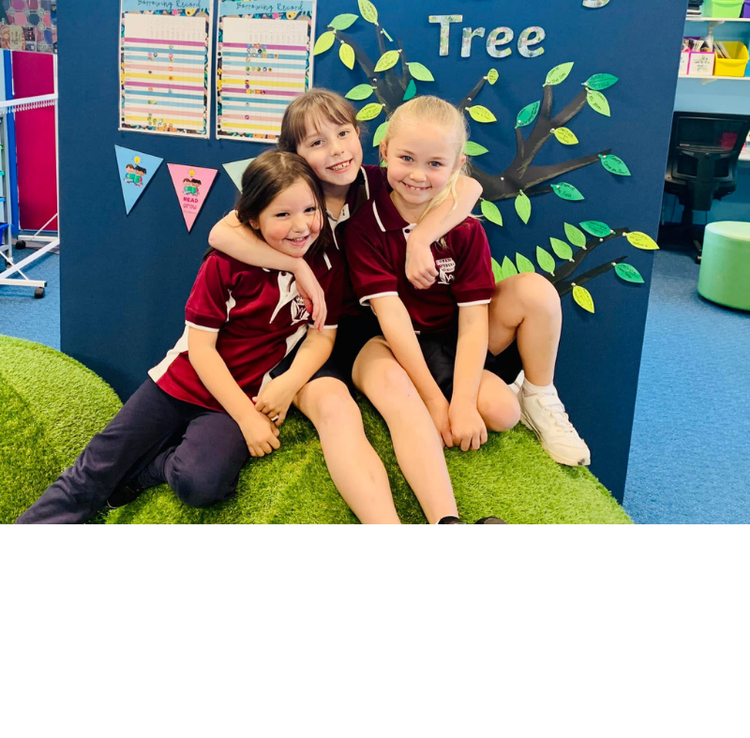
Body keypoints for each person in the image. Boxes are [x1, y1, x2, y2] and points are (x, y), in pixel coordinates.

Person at [17, 151, 401, 524]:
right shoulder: (225, 264)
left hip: (236, 395)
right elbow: (201, 350)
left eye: (310, 210)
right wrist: (248, 419)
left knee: (202, 483)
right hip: (180, 383)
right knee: (95, 469)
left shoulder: (326, 265)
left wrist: (288, 383)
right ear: (251, 219)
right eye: (282, 214)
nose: (301, 226)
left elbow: (322, 336)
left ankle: (151, 469)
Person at [208, 88, 501, 524]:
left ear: (364, 136)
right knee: (337, 411)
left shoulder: (381, 178)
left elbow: (469, 185)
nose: (336, 150)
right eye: (316, 142)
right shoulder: (287, 195)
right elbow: (220, 233)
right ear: (293, 154)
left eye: (343, 133)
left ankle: (448, 523)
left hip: (365, 329)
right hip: (302, 337)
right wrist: (298, 268)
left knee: (412, 394)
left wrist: (421, 238)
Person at [345, 95, 590, 470]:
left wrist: (461, 402)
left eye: (435, 164)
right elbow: (392, 320)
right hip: (400, 342)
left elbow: (474, 319)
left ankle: (538, 396)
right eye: (406, 158)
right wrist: (434, 401)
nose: (417, 175)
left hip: (456, 337)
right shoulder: (366, 225)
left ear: (457, 166)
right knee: (487, 411)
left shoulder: (466, 228)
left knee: (504, 413)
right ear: (385, 151)